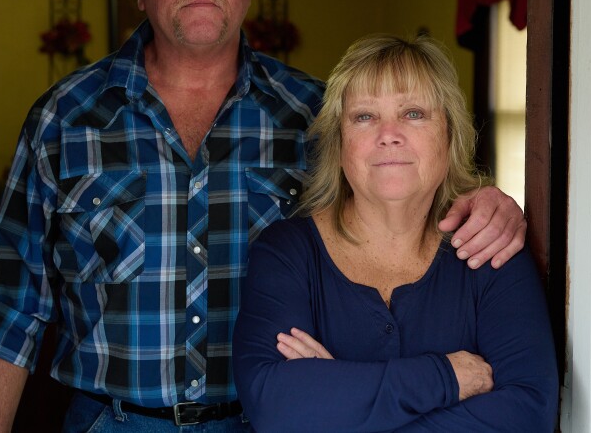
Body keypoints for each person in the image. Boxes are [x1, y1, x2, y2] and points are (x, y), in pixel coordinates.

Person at [0, 0, 528, 433]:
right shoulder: (64, 119)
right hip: (112, 420)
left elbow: (406, 197)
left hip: (275, 417)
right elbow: (8, 308)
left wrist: (485, 202)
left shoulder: (317, 114)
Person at [233, 34, 557, 432]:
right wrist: (444, 378)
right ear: (339, 144)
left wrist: (340, 404)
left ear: (450, 136)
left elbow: (528, 413)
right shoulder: (286, 253)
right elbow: (277, 407)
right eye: (365, 116)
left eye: (414, 113)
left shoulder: (490, 248)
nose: (389, 133)